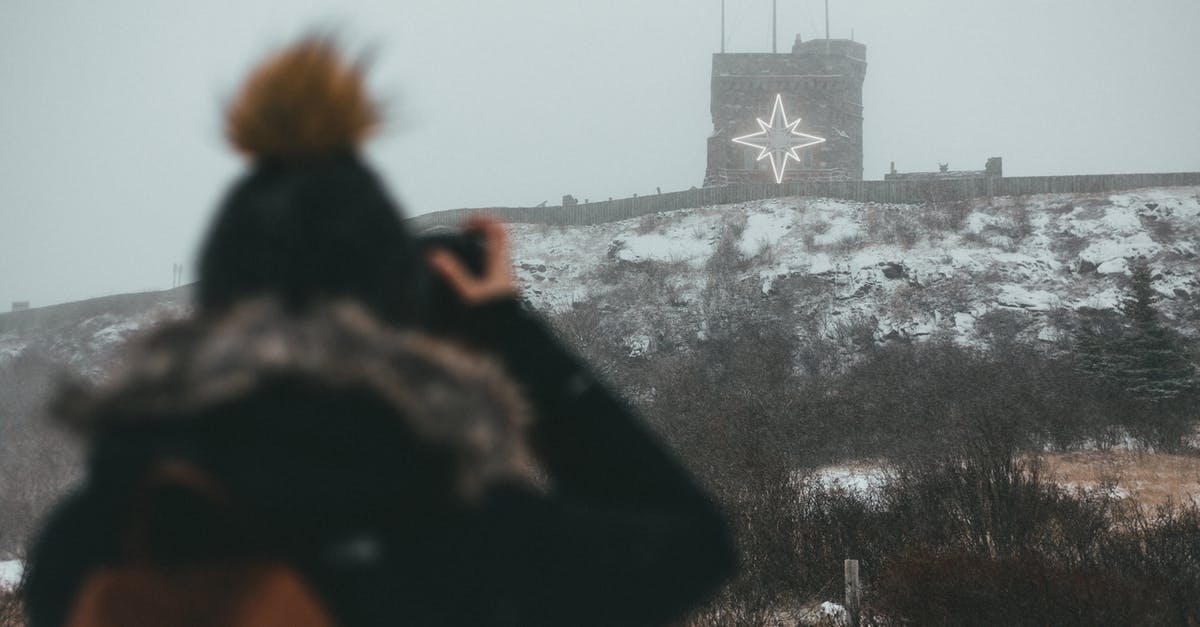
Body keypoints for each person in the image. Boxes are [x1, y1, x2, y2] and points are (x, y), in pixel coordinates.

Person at [24, 36, 735, 626]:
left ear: (215, 303)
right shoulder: (456, 531)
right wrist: (509, 331)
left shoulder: (93, 540)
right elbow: (692, 544)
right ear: (396, 304)